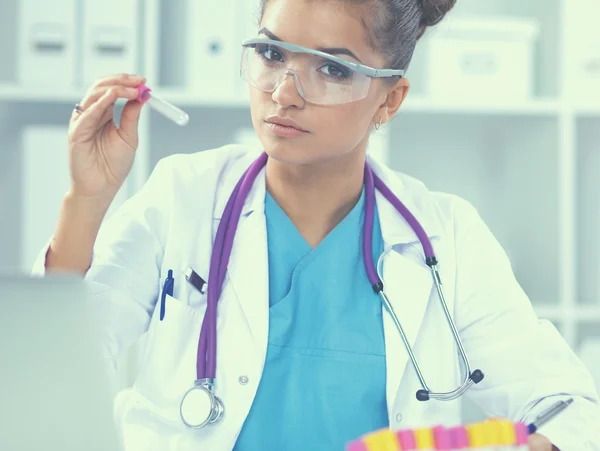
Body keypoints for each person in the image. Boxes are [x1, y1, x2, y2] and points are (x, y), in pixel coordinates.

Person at [33, 0, 600, 450]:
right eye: (273, 54)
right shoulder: (183, 196)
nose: (284, 93)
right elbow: (49, 372)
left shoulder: (445, 237)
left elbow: (571, 409)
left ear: (390, 98)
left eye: (332, 68)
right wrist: (88, 197)